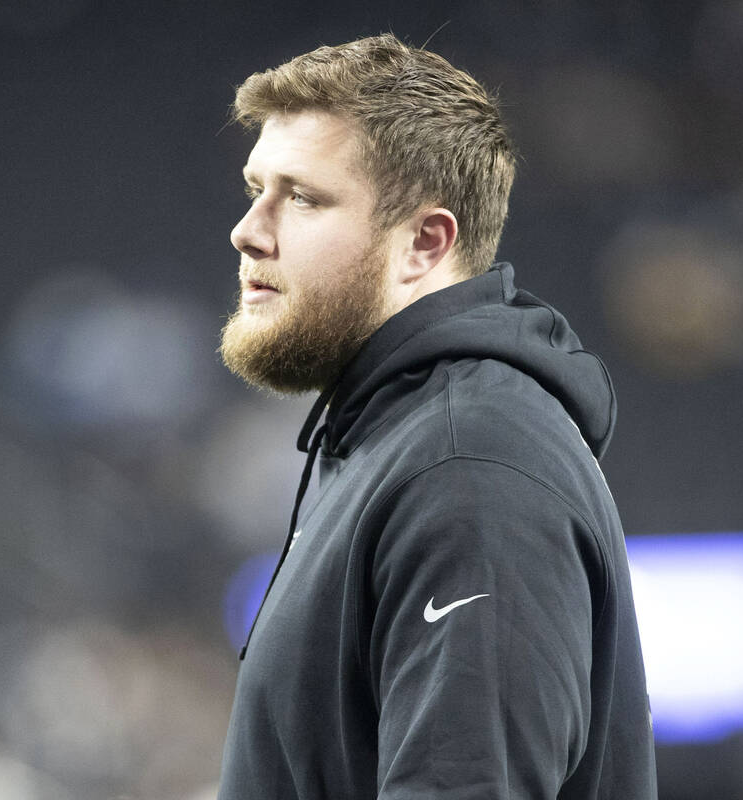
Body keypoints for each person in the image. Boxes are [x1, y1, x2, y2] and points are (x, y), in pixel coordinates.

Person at [217, 34, 657, 799]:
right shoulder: (389, 439)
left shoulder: (468, 468)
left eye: (304, 197)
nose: (250, 229)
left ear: (424, 242)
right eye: (256, 188)